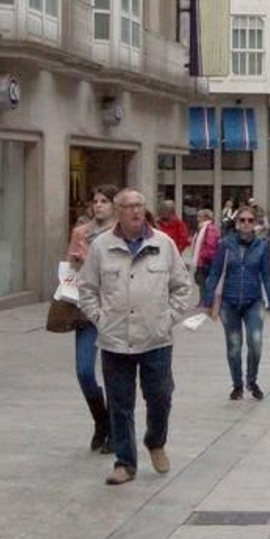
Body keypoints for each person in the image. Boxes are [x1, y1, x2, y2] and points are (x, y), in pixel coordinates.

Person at [77, 189, 197, 486]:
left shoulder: (163, 243)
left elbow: (182, 286)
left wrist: (167, 319)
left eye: (139, 206)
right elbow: (87, 288)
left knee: (160, 396)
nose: (135, 211)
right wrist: (100, 319)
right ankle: (125, 462)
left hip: (156, 338)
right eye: (128, 206)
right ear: (118, 211)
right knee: (120, 404)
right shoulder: (102, 246)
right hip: (115, 339)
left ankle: (155, 441)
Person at [202, 206, 270, 401]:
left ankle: (251, 380)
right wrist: (208, 300)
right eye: (242, 220)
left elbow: (267, 276)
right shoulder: (225, 245)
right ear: (236, 223)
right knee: (234, 345)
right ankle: (237, 384)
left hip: (253, 301)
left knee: (255, 342)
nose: (246, 224)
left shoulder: (262, 246)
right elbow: (215, 273)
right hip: (229, 302)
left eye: (250, 220)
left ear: (255, 224)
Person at [65, 185, 119, 454]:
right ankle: (101, 420)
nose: (98, 205)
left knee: (114, 375)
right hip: (86, 310)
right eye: (95, 201)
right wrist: (74, 263)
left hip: (115, 312)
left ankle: (116, 432)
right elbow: (68, 269)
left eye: (104, 201)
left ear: (114, 206)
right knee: (84, 371)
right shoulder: (81, 233)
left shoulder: (121, 233)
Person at [192, 209, 221, 285]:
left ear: (206, 218)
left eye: (199, 217)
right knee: (201, 284)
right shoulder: (201, 228)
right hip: (202, 262)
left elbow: (210, 246)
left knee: (204, 286)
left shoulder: (209, 228)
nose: (197, 219)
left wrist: (202, 256)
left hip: (205, 263)